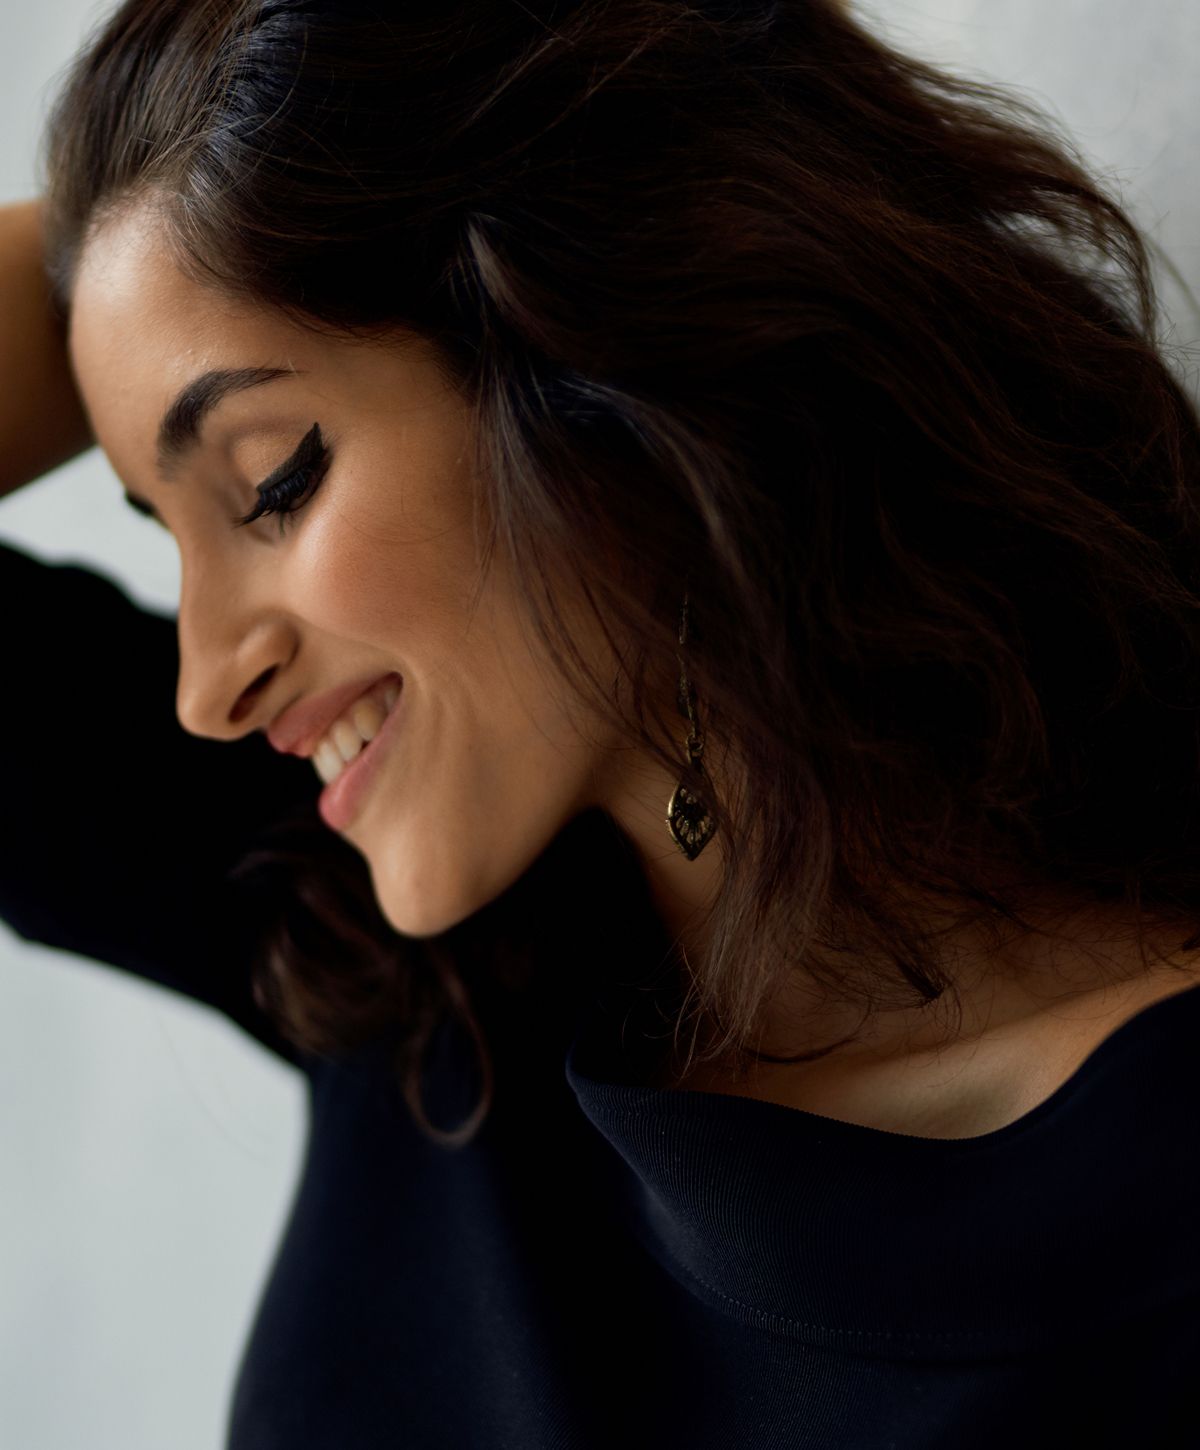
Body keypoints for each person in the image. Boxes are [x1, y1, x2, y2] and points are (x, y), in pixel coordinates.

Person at [3, 0, 1199, 1444]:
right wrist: (190, 173)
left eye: (270, 485)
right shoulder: (411, 963)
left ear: (603, 325)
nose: (208, 682)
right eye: (164, 525)